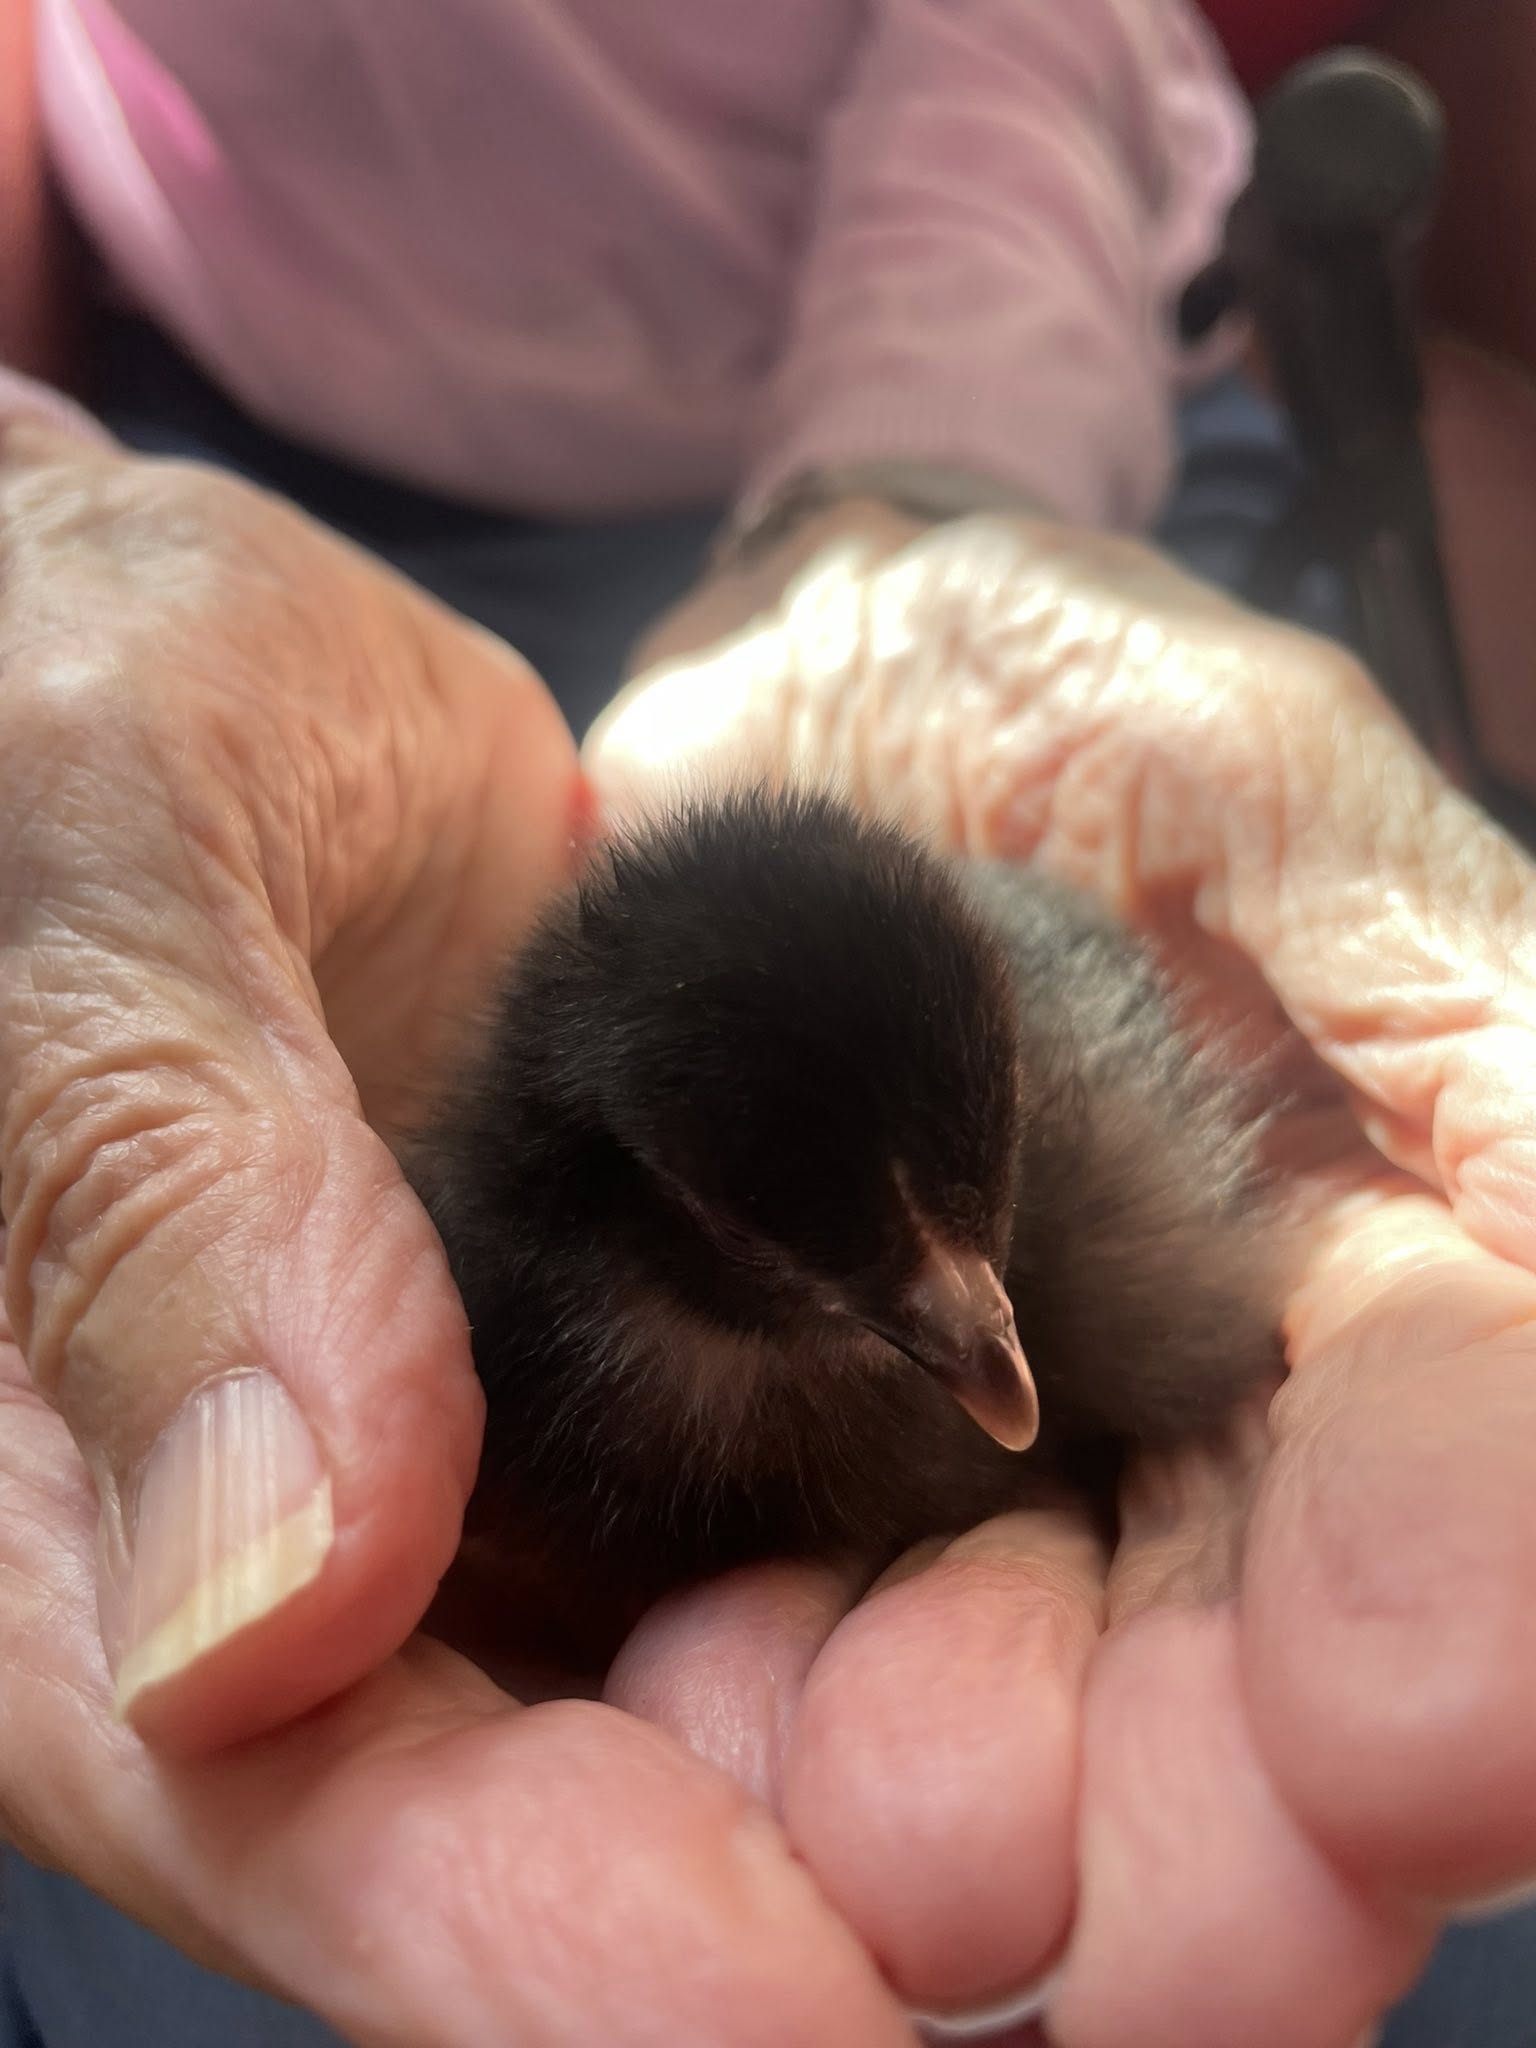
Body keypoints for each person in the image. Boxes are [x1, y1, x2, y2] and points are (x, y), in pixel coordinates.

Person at [4, 2, 1536, 2045]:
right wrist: (29, 514)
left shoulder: (1053, 1208)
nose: (986, 1340)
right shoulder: (546, 1277)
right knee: (224, 1913)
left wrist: (904, 504)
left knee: (1420, 1878)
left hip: (1026, 360)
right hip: (241, 454)